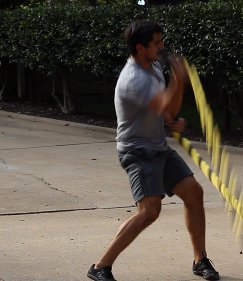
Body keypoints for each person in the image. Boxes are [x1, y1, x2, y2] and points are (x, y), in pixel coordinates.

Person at [87, 19, 220, 281]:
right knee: (150, 211)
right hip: (137, 151)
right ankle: (101, 266)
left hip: (157, 145)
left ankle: (200, 260)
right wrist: (179, 81)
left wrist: (172, 120)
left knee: (194, 193)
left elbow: (167, 110)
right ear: (140, 47)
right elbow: (163, 104)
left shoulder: (154, 65)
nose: (162, 47)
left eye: (161, 41)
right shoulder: (134, 79)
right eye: (156, 43)